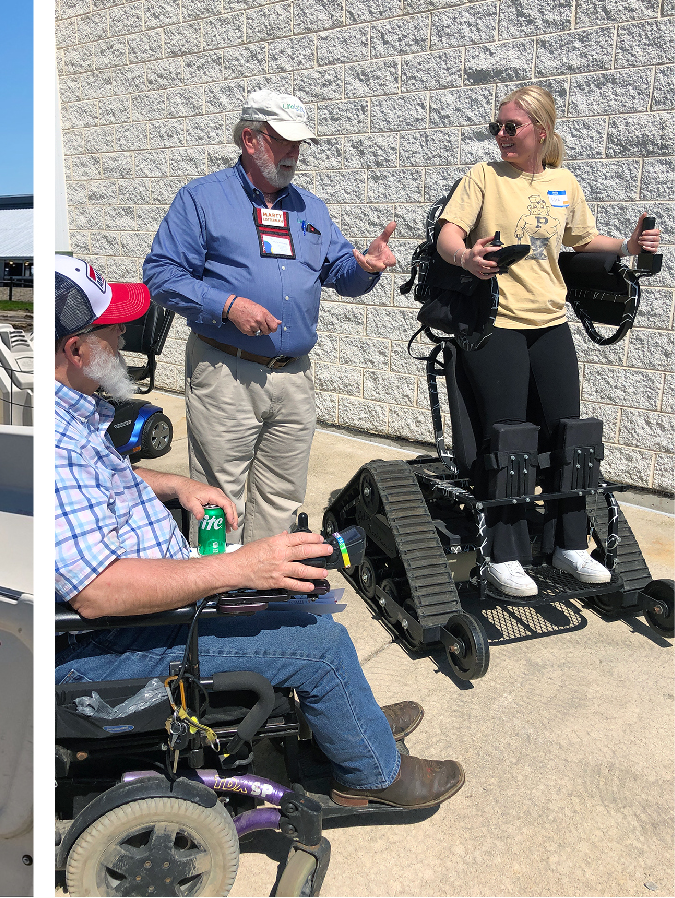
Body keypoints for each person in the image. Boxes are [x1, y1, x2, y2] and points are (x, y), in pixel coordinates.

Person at [50, 256, 465, 809]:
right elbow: (98, 593)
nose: (123, 337)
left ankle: (344, 721)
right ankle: (370, 775)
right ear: (77, 350)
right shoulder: (52, 448)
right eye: (112, 330)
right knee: (320, 644)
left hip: (152, 612)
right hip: (120, 643)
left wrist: (177, 486)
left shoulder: (68, 416)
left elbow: (103, 484)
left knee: (303, 595)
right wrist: (238, 568)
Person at [142, 88, 400, 546]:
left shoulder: (310, 208)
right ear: (250, 139)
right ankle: (219, 592)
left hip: (294, 378)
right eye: (283, 140)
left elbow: (339, 273)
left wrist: (365, 267)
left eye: (299, 143)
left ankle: (267, 590)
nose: (294, 153)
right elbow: (161, 275)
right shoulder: (202, 200)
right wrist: (227, 306)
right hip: (225, 370)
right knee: (221, 496)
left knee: (282, 494)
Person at [431, 84, 658, 596]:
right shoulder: (485, 176)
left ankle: (569, 544)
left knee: (571, 434)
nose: (502, 135)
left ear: (542, 131)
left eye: (512, 127)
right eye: (498, 127)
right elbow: (448, 233)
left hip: (550, 322)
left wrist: (626, 244)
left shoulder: (563, 182)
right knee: (510, 439)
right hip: (498, 324)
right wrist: (466, 256)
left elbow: (580, 240)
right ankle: (504, 554)